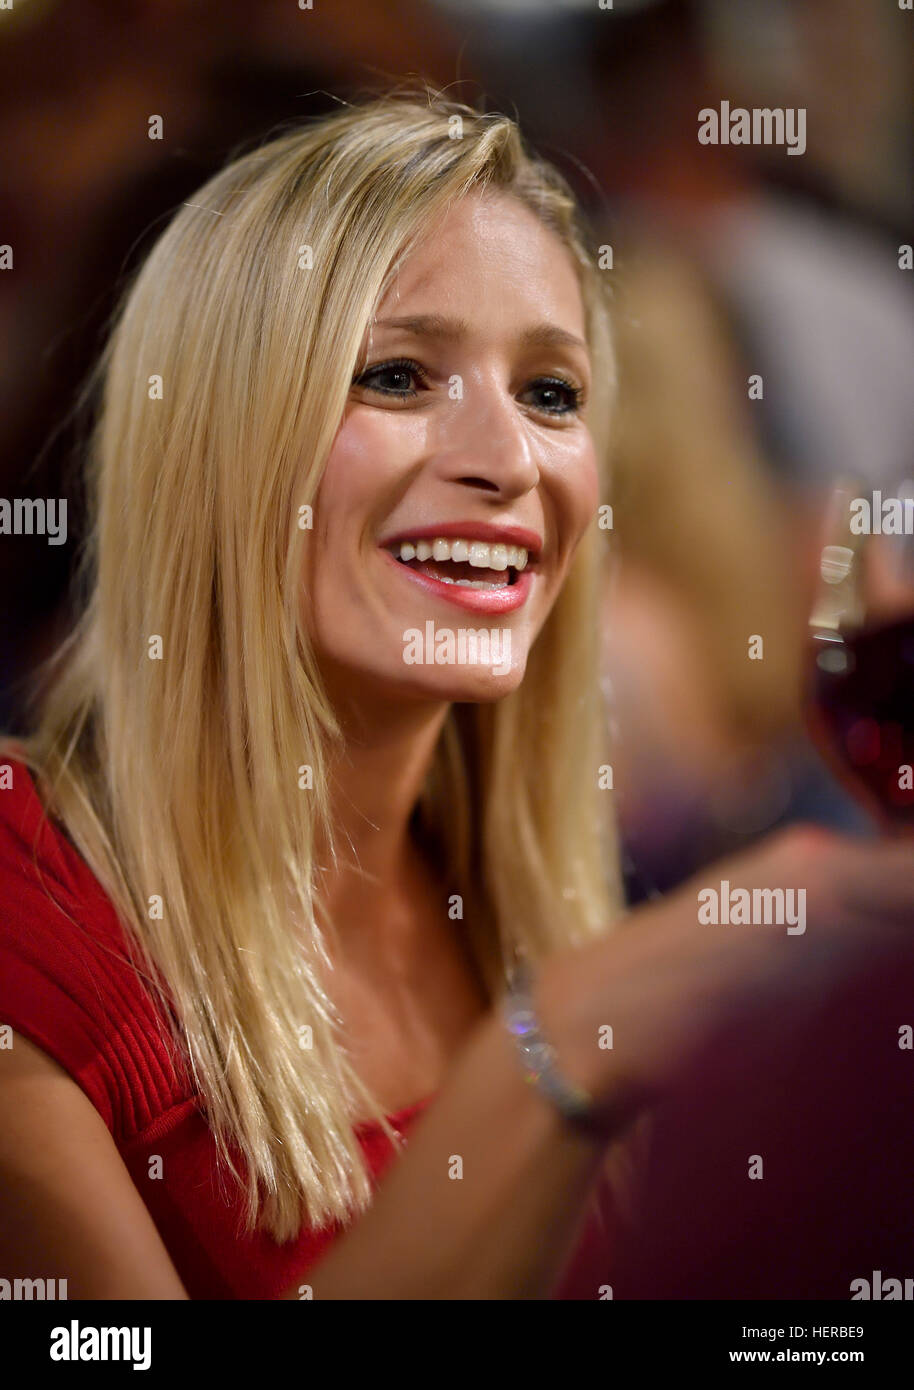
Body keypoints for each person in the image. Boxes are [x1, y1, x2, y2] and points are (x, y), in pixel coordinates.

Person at [1, 88, 913, 1301]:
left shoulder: (512, 878)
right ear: (219, 438)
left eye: (550, 393)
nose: (506, 459)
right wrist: (564, 1041)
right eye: (395, 375)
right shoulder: (29, 902)